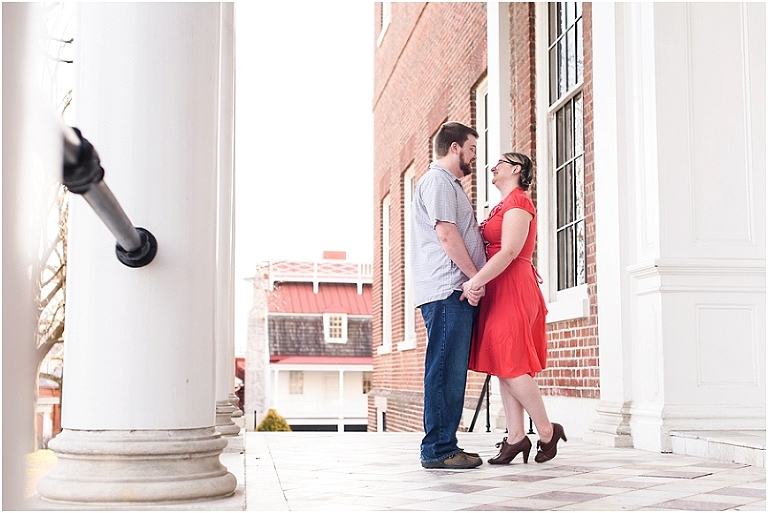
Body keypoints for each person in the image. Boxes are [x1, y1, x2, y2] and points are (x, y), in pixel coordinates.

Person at [461, 152, 566, 465]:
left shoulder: (519, 202)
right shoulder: (503, 205)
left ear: (516, 169)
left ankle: (547, 431)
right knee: (503, 363)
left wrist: (474, 282)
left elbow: (508, 251)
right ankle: (516, 437)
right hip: (500, 288)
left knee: (512, 363)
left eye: (500, 163)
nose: (493, 167)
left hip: (512, 288)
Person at [411, 121, 487, 469]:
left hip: (453, 291)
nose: (474, 155)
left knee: (452, 371)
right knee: (444, 371)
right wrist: (476, 278)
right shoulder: (438, 181)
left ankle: (446, 445)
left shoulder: (448, 184)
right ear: (454, 147)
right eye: (472, 148)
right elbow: (446, 235)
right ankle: (438, 450)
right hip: (447, 291)